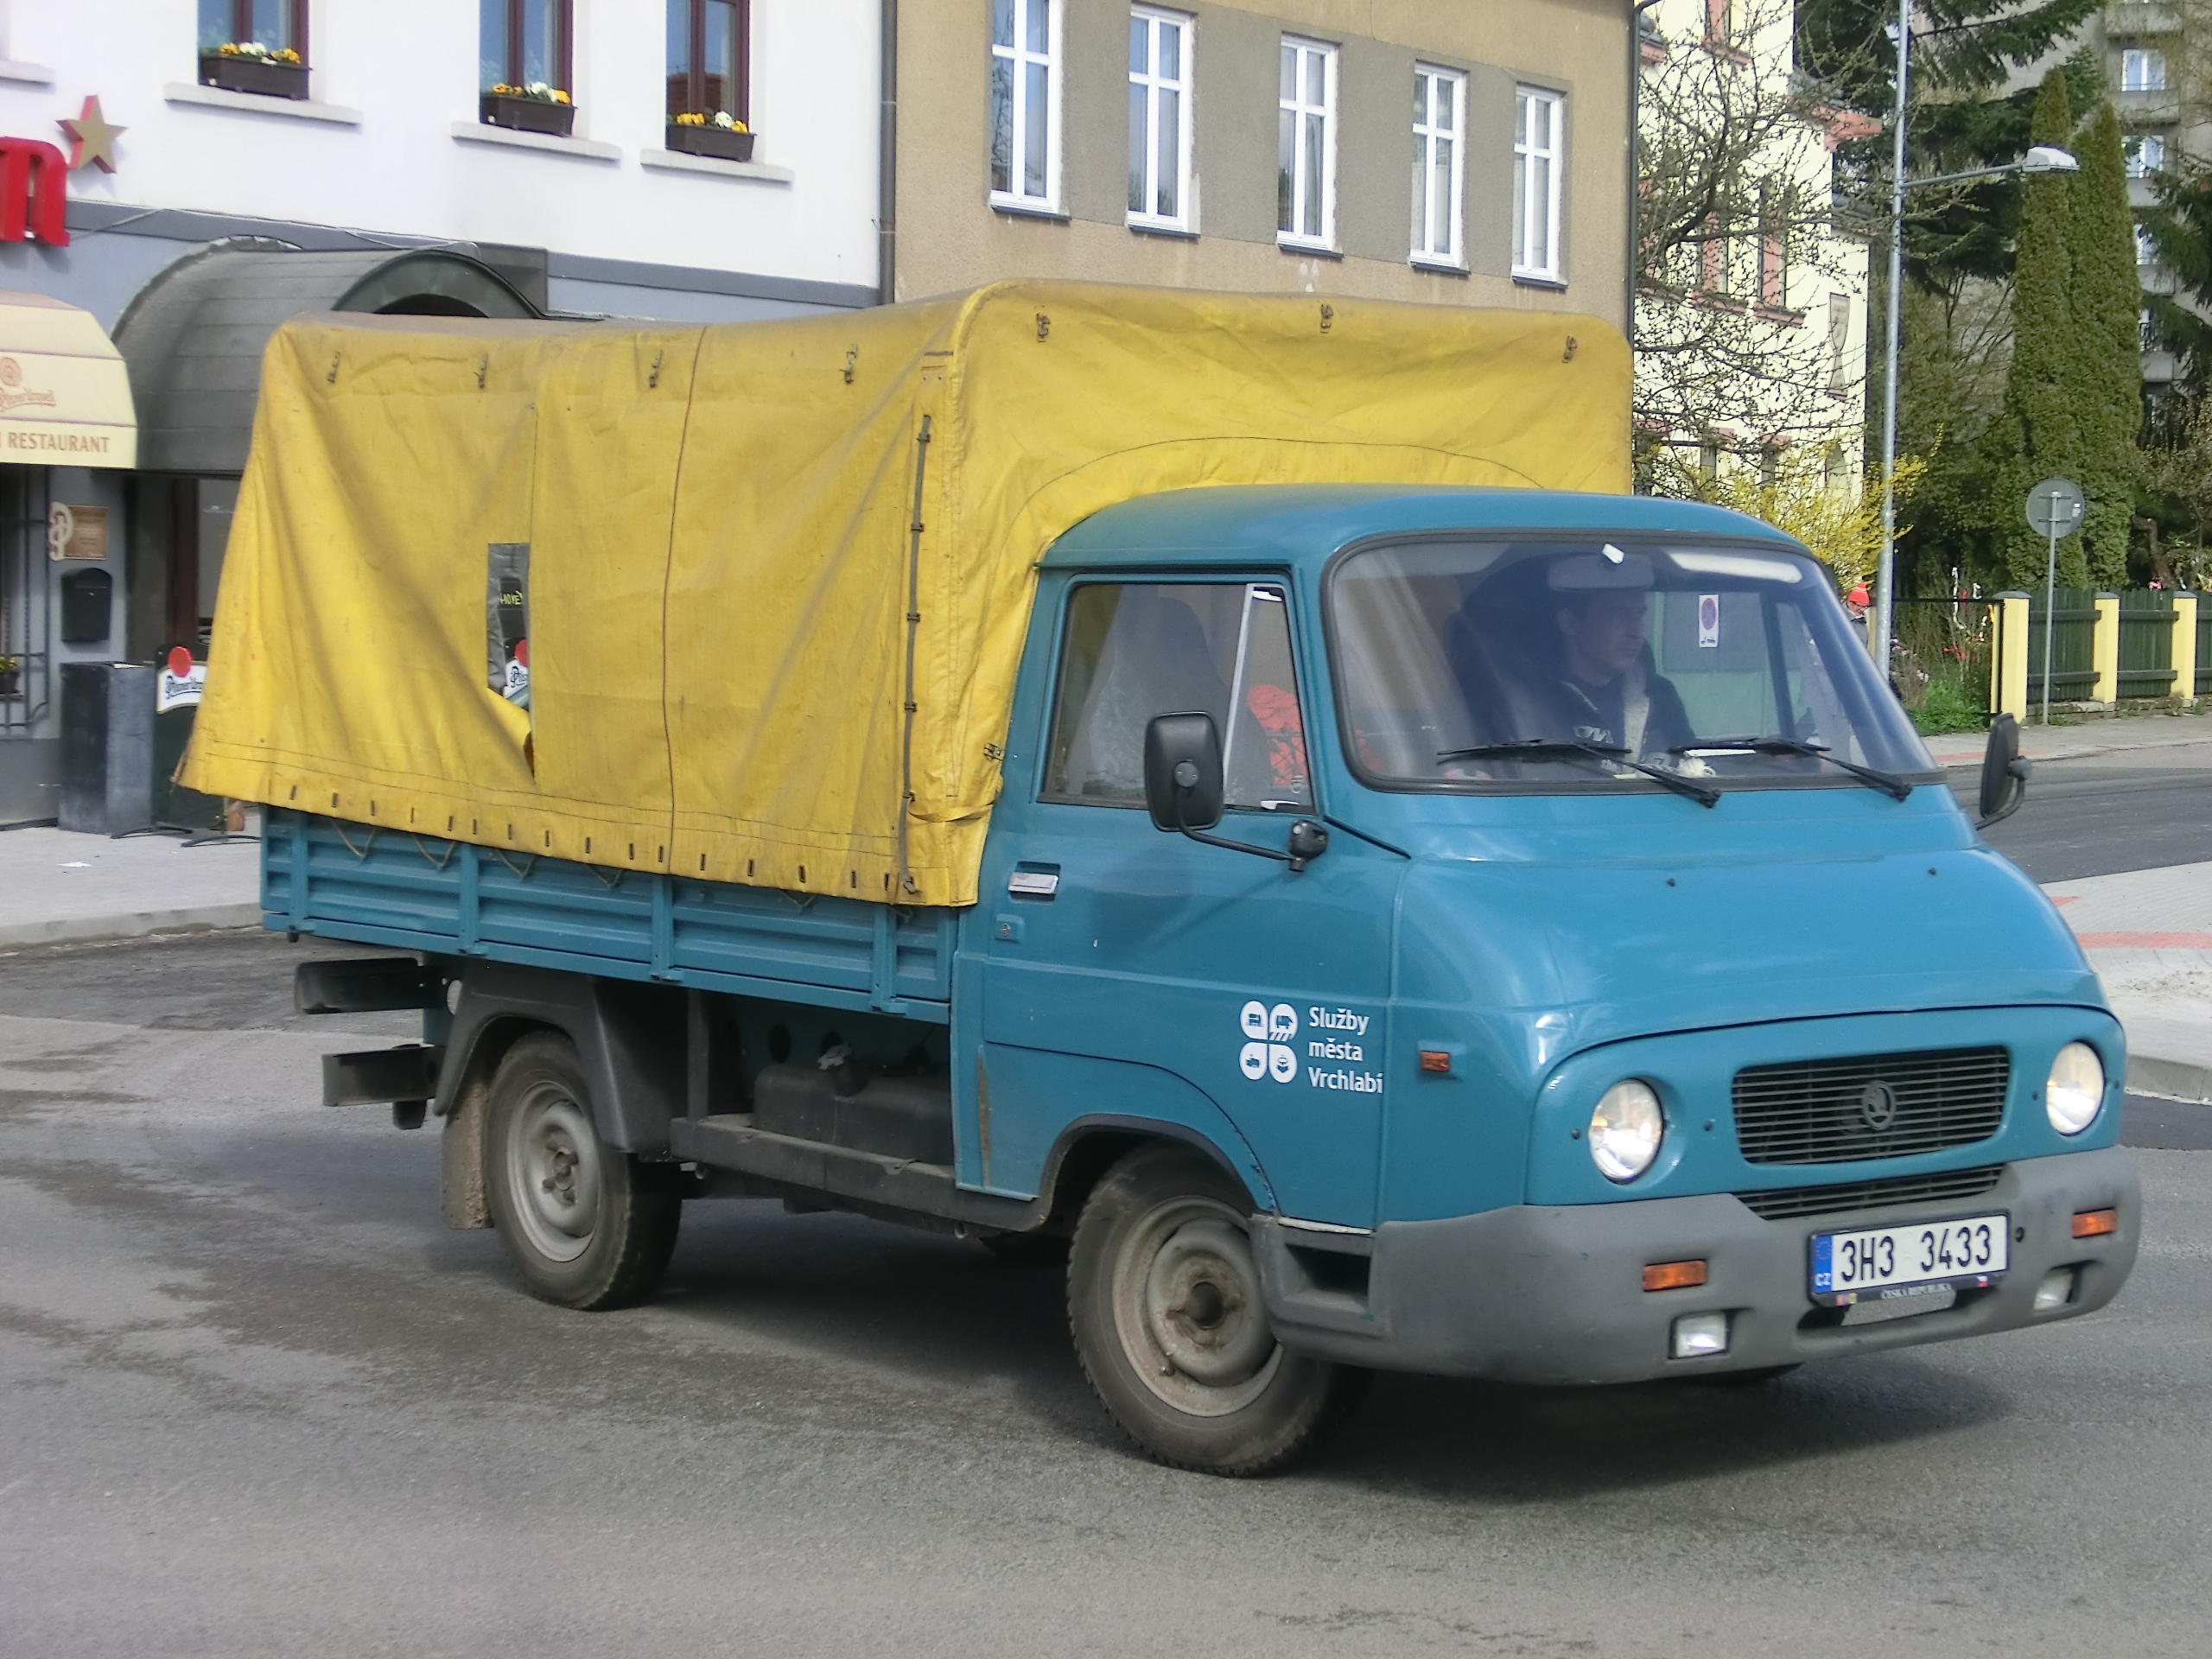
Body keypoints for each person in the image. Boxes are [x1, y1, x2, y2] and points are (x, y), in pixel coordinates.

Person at [1535, 583, 1697, 760]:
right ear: (1570, 622)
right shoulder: (1533, 699)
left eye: (1640, 614)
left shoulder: (1660, 696)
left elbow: (1694, 767)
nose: (1636, 632)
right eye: (1618, 614)